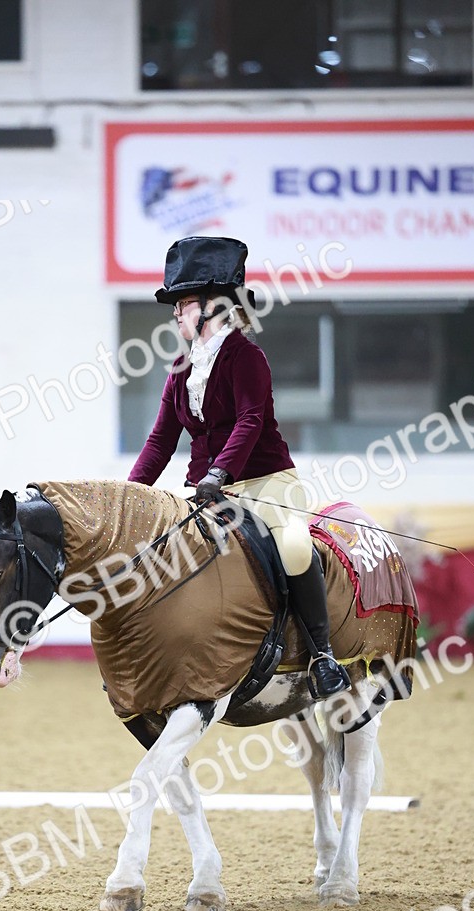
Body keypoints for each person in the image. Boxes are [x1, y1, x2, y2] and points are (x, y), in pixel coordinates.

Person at [128, 235, 351, 699]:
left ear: (214, 307)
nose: (176, 313)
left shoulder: (246, 356)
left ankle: (323, 654)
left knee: (292, 546)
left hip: (268, 483)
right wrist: (130, 494)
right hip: (208, 491)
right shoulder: (180, 368)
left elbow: (250, 420)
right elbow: (160, 440)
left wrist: (219, 474)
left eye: (184, 303)